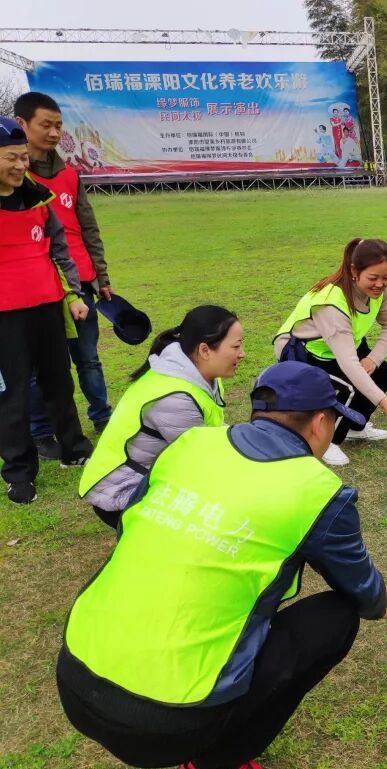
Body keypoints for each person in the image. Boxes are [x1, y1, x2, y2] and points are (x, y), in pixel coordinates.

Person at [57, 362, 387, 769]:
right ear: (320, 422)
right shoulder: (318, 490)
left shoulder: (191, 444)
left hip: (74, 677)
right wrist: (382, 599)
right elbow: (366, 596)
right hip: (165, 725)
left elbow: (131, 526)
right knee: (335, 618)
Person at [78, 306, 244, 529]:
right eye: (236, 346)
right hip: (121, 493)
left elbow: (213, 433)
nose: (242, 353)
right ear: (205, 350)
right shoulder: (177, 398)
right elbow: (203, 463)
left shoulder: (200, 374)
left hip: (145, 478)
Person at [15, 92, 116, 459]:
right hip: (35, 288)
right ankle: (42, 433)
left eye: (59, 125)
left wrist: (101, 276)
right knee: (38, 367)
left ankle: (103, 417)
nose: (55, 133)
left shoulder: (70, 175)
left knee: (88, 358)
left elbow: (89, 227)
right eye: (46, 125)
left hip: (80, 281)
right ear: (22, 124)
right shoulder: (12, 176)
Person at [0, 116, 93, 505]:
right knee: (13, 394)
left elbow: (59, 248)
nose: (20, 165)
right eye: (11, 158)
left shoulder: (38, 197)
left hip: (47, 307)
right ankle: (19, 471)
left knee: (59, 382)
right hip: (6, 317)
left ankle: (74, 448)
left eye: (23, 157)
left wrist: (73, 295)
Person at [275, 237, 387, 466]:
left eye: (386, 277)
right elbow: (348, 364)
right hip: (302, 351)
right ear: (354, 271)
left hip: (339, 346)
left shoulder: (382, 291)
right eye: (373, 278)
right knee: (349, 386)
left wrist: (373, 359)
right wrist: (384, 402)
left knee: (382, 373)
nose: (380, 284)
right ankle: (326, 440)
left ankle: (355, 427)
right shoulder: (331, 303)